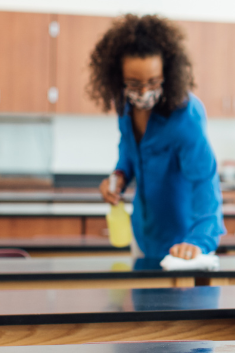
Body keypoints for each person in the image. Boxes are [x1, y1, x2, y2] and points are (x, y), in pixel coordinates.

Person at [89, 14, 224, 263]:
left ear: (167, 73)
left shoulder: (185, 116)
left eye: (153, 82)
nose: (143, 92)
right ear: (117, 77)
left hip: (184, 246)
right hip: (142, 235)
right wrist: (119, 176)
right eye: (133, 83)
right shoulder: (124, 106)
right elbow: (129, 152)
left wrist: (200, 241)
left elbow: (205, 181)